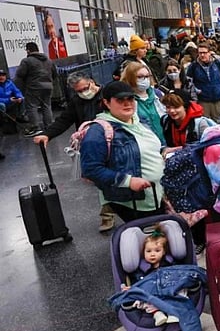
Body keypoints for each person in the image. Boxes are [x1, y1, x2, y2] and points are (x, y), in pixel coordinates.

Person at [33, 72, 116, 231]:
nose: (84, 92)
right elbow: (64, 120)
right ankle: (108, 213)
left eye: (85, 88)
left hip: (112, 141)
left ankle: (113, 210)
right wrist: (47, 134)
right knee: (102, 180)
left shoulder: (108, 94)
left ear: (92, 82)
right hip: (92, 145)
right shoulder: (76, 102)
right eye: (78, 91)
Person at [80, 81, 165, 223]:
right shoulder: (97, 132)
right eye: (120, 100)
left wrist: (165, 151)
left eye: (130, 99)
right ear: (106, 103)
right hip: (135, 202)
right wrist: (128, 181)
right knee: (151, 241)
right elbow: (90, 169)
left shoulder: (138, 122)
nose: (127, 104)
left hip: (157, 195)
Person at [120, 226, 184, 326]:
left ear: (163, 252)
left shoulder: (169, 263)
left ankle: (172, 313)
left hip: (167, 289)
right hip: (152, 293)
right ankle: (157, 314)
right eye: (148, 251)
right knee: (143, 297)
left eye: (157, 251)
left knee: (179, 292)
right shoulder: (141, 268)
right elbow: (138, 282)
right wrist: (132, 288)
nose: (152, 254)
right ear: (143, 252)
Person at [185, 42, 220, 122]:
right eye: (200, 53)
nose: (202, 55)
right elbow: (188, 82)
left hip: (218, 97)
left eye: (204, 53)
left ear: (209, 53)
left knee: (217, 120)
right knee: (206, 121)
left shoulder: (217, 62)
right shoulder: (194, 66)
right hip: (203, 98)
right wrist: (194, 95)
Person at [17, 42, 58, 137]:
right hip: (48, 87)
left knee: (32, 107)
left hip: (33, 87)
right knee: (46, 106)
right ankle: (49, 125)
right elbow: (55, 74)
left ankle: (36, 128)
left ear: (28, 50)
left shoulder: (26, 61)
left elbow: (20, 74)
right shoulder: (48, 60)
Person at [121, 62, 166, 144]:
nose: (145, 80)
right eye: (140, 77)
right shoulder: (125, 101)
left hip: (166, 143)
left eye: (147, 76)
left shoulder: (158, 95)